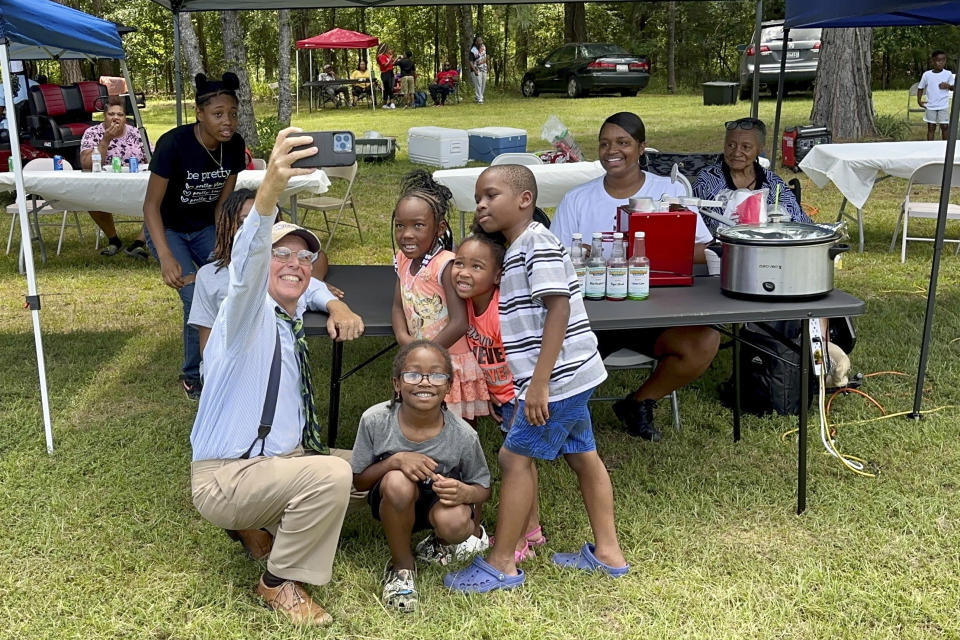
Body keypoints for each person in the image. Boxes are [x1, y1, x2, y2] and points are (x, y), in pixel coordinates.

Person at [190, 127, 365, 626]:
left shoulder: (290, 310)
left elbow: (305, 287)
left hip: (278, 460)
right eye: (280, 255)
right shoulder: (242, 315)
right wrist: (270, 186)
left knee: (376, 465)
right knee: (332, 475)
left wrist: (330, 299)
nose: (294, 264)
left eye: (303, 256)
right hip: (227, 477)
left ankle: (275, 521)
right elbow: (247, 268)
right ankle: (276, 583)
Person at [444, 165, 628, 594]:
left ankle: (502, 564)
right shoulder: (520, 248)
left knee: (513, 460)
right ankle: (608, 552)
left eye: (491, 195)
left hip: (558, 380)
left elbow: (558, 308)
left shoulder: (536, 244)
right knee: (583, 456)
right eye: (479, 197)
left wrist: (539, 384)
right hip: (574, 375)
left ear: (525, 200)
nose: (482, 204)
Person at [552, 112, 720, 443]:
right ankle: (566, 413)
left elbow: (705, 250)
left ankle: (639, 402)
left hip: (656, 310)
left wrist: (642, 252)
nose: (611, 150)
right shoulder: (577, 199)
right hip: (593, 316)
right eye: (604, 143)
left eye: (622, 142)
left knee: (704, 341)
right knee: (560, 358)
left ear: (642, 147)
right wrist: (584, 254)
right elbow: (554, 260)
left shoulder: (667, 191)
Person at [352, 341, 491, 613]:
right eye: (413, 374)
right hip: (392, 498)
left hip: (435, 504)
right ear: (397, 384)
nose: (425, 383)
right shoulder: (376, 420)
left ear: (449, 386)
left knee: (455, 523)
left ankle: (437, 544)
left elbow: (483, 487)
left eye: (437, 375)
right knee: (397, 481)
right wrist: (395, 461)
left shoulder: (463, 435)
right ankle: (402, 567)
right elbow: (358, 481)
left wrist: (465, 494)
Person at [143, 72, 245, 400]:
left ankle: (230, 356)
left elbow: (223, 204)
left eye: (232, 113)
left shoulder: (234, 145)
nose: (226, 121)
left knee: (228, 284)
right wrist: (166, 255)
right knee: (192, 296)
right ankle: (193, 375)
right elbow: (150, 206)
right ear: (199, 113)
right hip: (169, 228)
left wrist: (224, 242)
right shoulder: (174, 144)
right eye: (218, 114)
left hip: (205, 228)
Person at [451, 233, 546, 564]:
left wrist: (521, 399)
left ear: (497, 276)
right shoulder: (466, 305)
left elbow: (529, 357)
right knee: (522, 463)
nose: (464, 272)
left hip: (521, 397)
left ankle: (520, 536)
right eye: (459, 263)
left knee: (517, 464)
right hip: (503, 397)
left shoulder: (499, 312)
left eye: (476, 266)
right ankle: (532, 526)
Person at [188, 188, 345, 355]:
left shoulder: (281, 267)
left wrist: (320, 288)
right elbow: (207, 345)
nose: (255, 230)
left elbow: (318, 257)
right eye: (244, 222)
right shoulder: (209, 276)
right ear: (228, 226)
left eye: (264, 223)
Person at [391, 170, 489, 420]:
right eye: (400, 226)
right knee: (423, 417)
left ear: (439, 228)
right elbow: (398, 304)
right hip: (421, 356)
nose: (407, 234)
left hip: (449, 358)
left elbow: (459, 322)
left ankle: (463, 459)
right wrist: (404, 339)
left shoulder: (445, 265)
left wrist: (428, 353)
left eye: (418, 225)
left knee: (457, 423)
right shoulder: (403, 260)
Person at [693, 117, 811, 234]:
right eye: (731, 145)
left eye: (746, 147)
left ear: (760, 149)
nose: (736, 152)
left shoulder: (772, 183)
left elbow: (801, 224)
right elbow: (692, 226)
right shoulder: (707, 180)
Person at [79, 95, 150, 257]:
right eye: (111, 114)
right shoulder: (92, 133)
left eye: (120, 114)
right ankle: (114, 240)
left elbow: (151, 158)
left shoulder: (136, 133)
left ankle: (139, 243)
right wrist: (106, 140)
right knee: (88, 197)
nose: (116, 118)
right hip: (105, 186)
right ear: (104, 116)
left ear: (125, 118)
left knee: (162, 198)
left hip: (136, 184)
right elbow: (86, 165)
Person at [917, 50, 956, 141]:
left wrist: (948, 86)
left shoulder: (948, 74)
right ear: (933, 61)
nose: (941, 63)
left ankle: (945, 146)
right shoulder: (927, 75)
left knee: (945, 126)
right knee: (931, 127)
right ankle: (930, 146)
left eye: (943, 60)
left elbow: (955, 88)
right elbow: (920, 88)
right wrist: (919, 100)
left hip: (943, 105)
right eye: (938, 60)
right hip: (930, 105)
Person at [468, 36, 488, 104]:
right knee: (478, 84)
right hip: (476, 69)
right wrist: (475, 70)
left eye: (481, 40)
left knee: (483, 84)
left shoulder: (483, 47)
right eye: (479, 40)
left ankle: (479, 96)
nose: (480, 41)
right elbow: (470, 62)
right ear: (476, 42)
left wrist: (486, 64)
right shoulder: (473, 50)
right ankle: (480, 98)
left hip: (484, 68)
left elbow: (485, 57)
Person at [377, 44, 397, 109]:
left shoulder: (387, 56)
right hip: (385, 73)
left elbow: (393, 62)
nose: (389, 50)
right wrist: (390, 58)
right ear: (384, 49)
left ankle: (385, 104)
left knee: (389, 88)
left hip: (390, 73)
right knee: (387, 88)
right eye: (387, 48)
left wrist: (398, 58)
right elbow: (385, 65)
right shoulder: (381, 56)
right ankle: (391, 103)